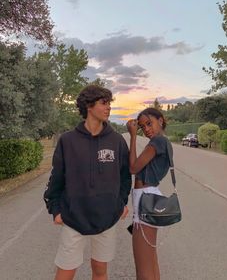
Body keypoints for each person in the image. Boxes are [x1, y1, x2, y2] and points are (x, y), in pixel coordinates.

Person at [44, 85, 131, 280]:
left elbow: (125, 176)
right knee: (65, 271)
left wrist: (121, 203)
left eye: (109, 103)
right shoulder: (68, 140)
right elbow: (56, 177)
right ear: (89, 106)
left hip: (107, 217)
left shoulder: (117, 141)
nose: (109, 107)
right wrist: (55, 209)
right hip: (74, 216)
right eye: (104, 103)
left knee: (100, 270)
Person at [126, 107, 173, 280]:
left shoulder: (157, 142)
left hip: (145, 200)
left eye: (149, 123)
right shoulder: (164, 142)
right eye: (142, 127)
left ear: (160, 120)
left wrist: (132, 136)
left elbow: (133, 168)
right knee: (151, 262)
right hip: (149, 197)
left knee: (143, 270)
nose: (146, 129)